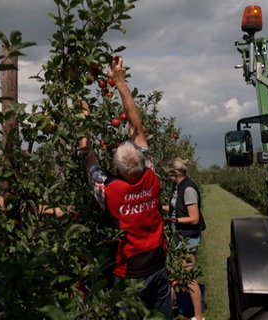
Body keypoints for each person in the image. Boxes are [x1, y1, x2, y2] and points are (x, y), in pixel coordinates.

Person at [78, 56, 173, 319]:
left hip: (129, 276)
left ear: (117, 169)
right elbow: (137, 127)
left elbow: (87, 155)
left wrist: (82, 117)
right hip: (157, 268)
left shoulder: (109, 190)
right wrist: (120, 83)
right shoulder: (152, 176)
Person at [163, 157, 205, 320]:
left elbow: (194, 218)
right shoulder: (178, 187)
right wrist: (158, 207)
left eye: (169, 173)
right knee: (177, 273)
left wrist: (172, 220)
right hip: (178, 236)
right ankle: (172, 306)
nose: (167, 176)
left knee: (189, 277)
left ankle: (199, 316)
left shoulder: (188, 189)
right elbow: (177, 207)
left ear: (174, 173)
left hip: (188, 238)